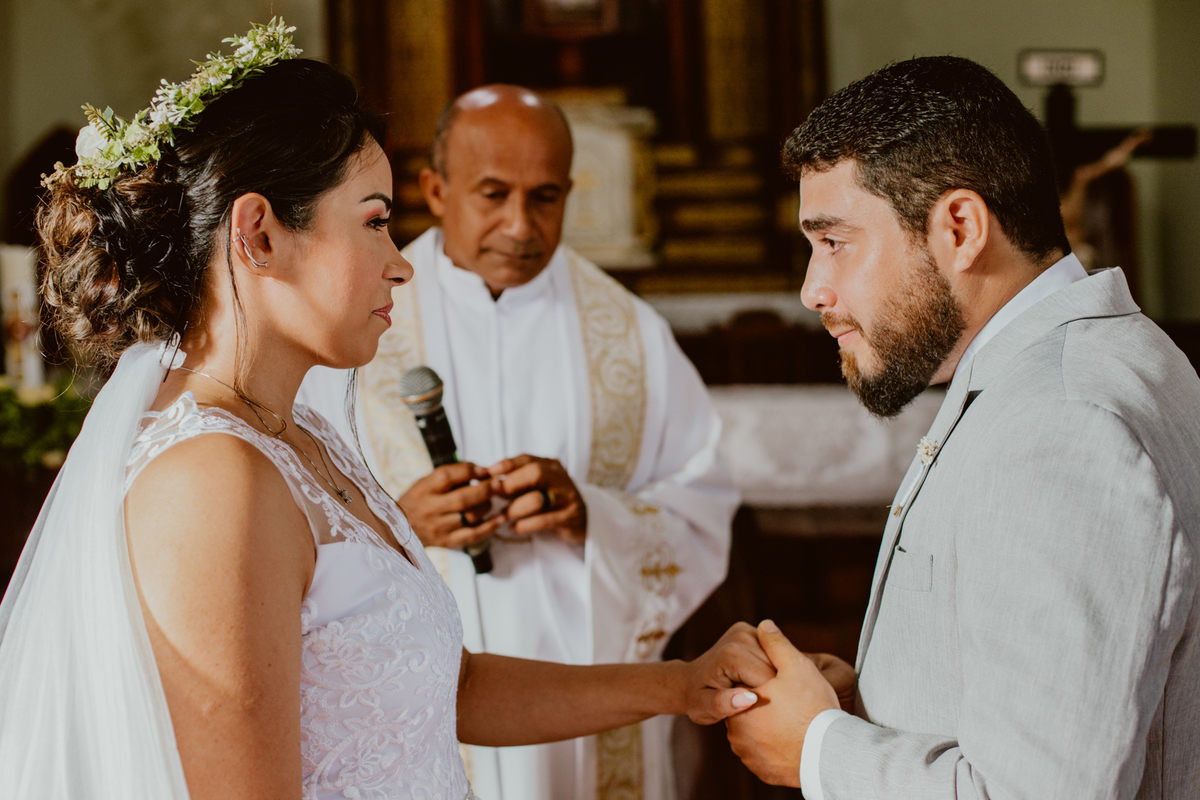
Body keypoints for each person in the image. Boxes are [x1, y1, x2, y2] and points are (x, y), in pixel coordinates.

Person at [0, 23, 772, 800]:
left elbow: (450, 687)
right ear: (258, 234)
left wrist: (680, 685)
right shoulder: (211, 483)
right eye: (374, 221)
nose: (402, 263)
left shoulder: (304, 436)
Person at [725, 56, 1200, 799]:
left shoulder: (1063, 422)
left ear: (960, 227)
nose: (813, 290)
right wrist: (871, 700)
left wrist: (817, 752)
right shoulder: (1052, 366)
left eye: (835, 242)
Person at [299, 85, 737, 800]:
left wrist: (591, 515)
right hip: (419, 696)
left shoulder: (631, 334)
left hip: (585, 703)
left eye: (545, 197)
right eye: (494, 194)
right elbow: (290, 516)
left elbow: (701, 509)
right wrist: (402, 525)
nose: (520, 224)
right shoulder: (351, 324)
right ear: (435, 190)